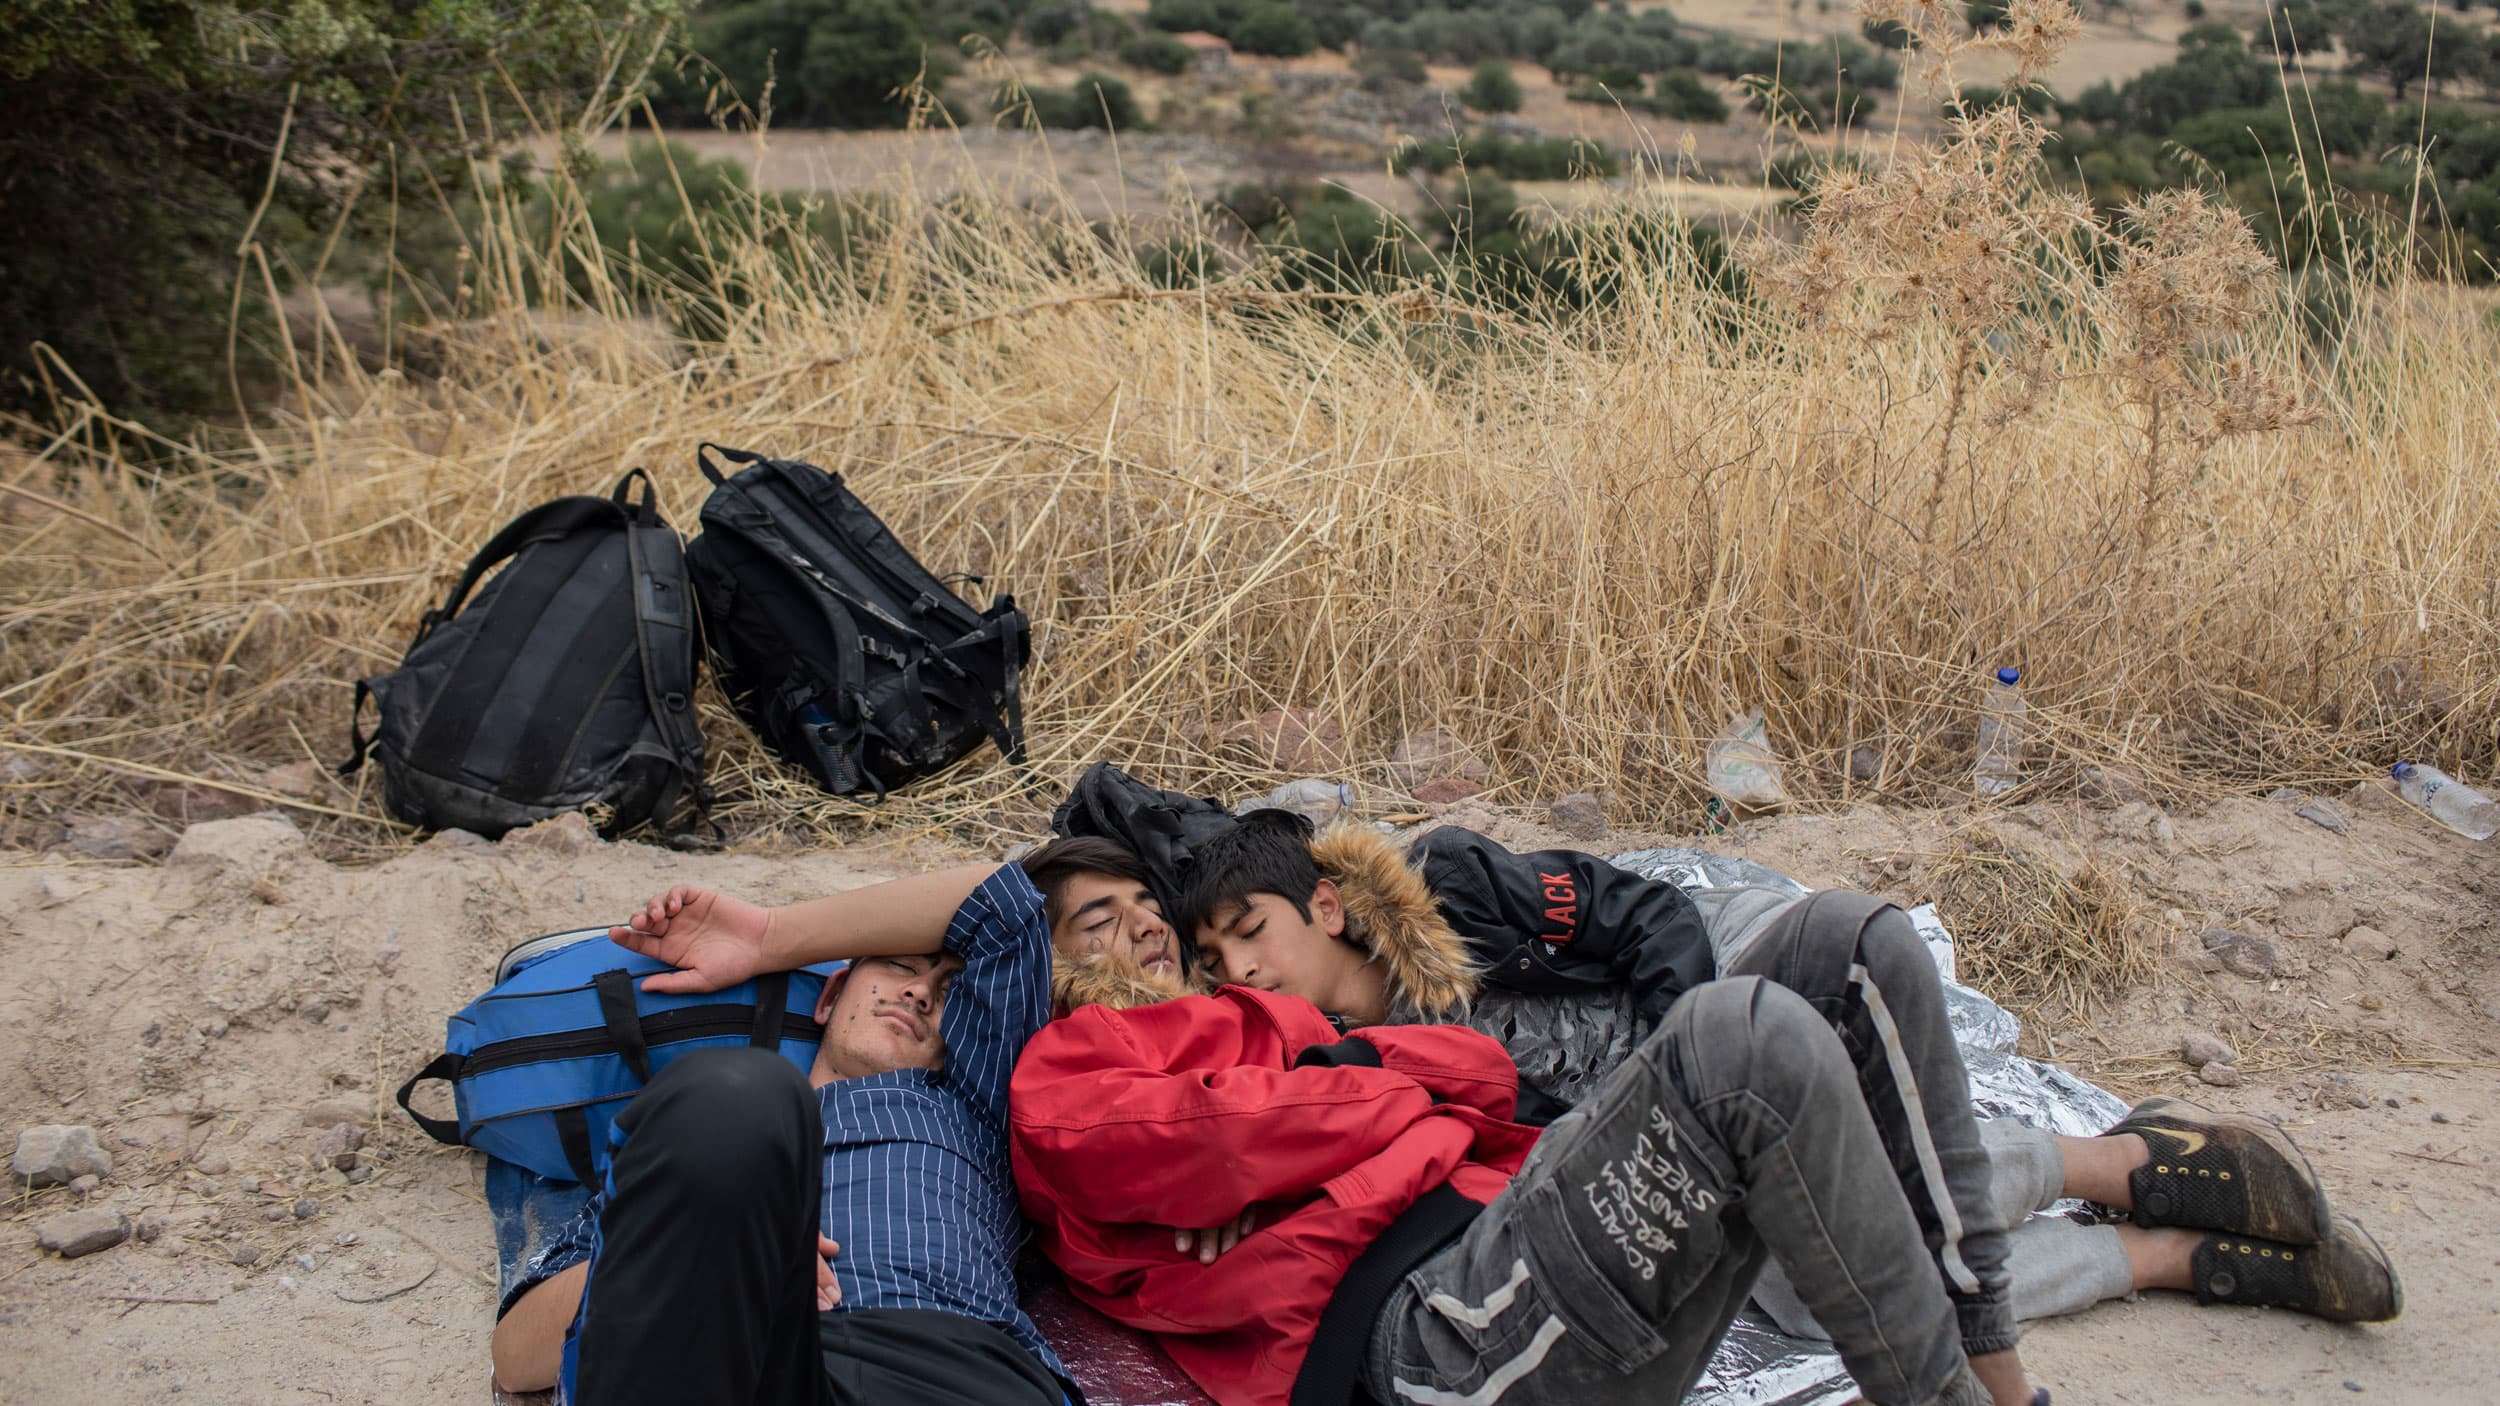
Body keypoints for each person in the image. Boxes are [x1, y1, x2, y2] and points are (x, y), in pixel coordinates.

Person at [1175, 811, 2400, 1326]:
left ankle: (2129, 1162)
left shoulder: (1446, 881)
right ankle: (2176, 1252)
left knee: (1868, 1182)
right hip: (1681, 1115)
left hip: (1737, 973)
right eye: (1213, 956)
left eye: (1250, 931)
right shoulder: (1345, 1059)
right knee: (1807, 1291)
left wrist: (1679, 1064)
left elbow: (1648, 916)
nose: (1239, 966)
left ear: (1326, 904)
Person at [1010, 955, 2042, 1406]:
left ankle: (1994, 1372)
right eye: (1093, 921)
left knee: (1845, 938)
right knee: (1747, 1038)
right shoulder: (1067, 1068)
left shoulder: (1280, 1026)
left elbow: (1481, 1071)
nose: (1138, 931)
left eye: (1144, 902)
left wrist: (1343, 1082)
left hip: (1514, 1210)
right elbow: (1231, 1134)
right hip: (1440, 1333)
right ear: (1047, 963)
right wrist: (1353, 1096)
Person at [487, 850, 1084, 1406]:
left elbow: (1000, 903)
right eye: (899, 966)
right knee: (735, 1093)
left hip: (938, 1362)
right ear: (828, 998)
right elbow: (516, 1357)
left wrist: (770, 937)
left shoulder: (972, 1103)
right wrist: (713, 1249)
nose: (920, 991)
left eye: (950, 992)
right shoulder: (696, 1151)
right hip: (724, 1359)